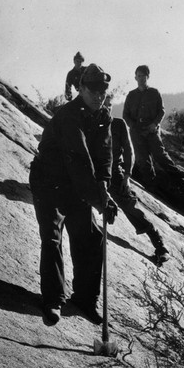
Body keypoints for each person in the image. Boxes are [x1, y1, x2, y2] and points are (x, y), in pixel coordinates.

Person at [29, 64, 118, 325]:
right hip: (50, 182)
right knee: (52, 236)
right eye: (93, 90)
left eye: (103, 90)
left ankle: (85, 299)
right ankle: (53, 300)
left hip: (75, 185)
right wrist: (98, 200)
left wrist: (104, 189)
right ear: (81, 88)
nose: (99, 95)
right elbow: (79, 159)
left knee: (91, 238)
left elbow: (104, 157)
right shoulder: (69, 115)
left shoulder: (103, 116)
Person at [105, 95, 169, 264]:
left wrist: (126, 177)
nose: (106, 108)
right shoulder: (89, 123)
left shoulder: (118, 124)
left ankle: (159, 244)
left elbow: (129, 152)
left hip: (114, 173)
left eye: (109, 105)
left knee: (130, 205)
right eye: (103, 105)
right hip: (93, 173)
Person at [123, 65, 184, 188]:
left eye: (143, 76)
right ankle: (151, 184)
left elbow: (161, 111)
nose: (141, 78)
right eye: (139, 75)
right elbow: (125, 114)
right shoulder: (131, 95)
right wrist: (133, 127)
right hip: (137, 131)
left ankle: (174, 173)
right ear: (135, 77)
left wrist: (154, 124)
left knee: (159, 154)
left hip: (151, 129)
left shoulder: (154, 93)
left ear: (148, 77)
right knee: (143, 159)